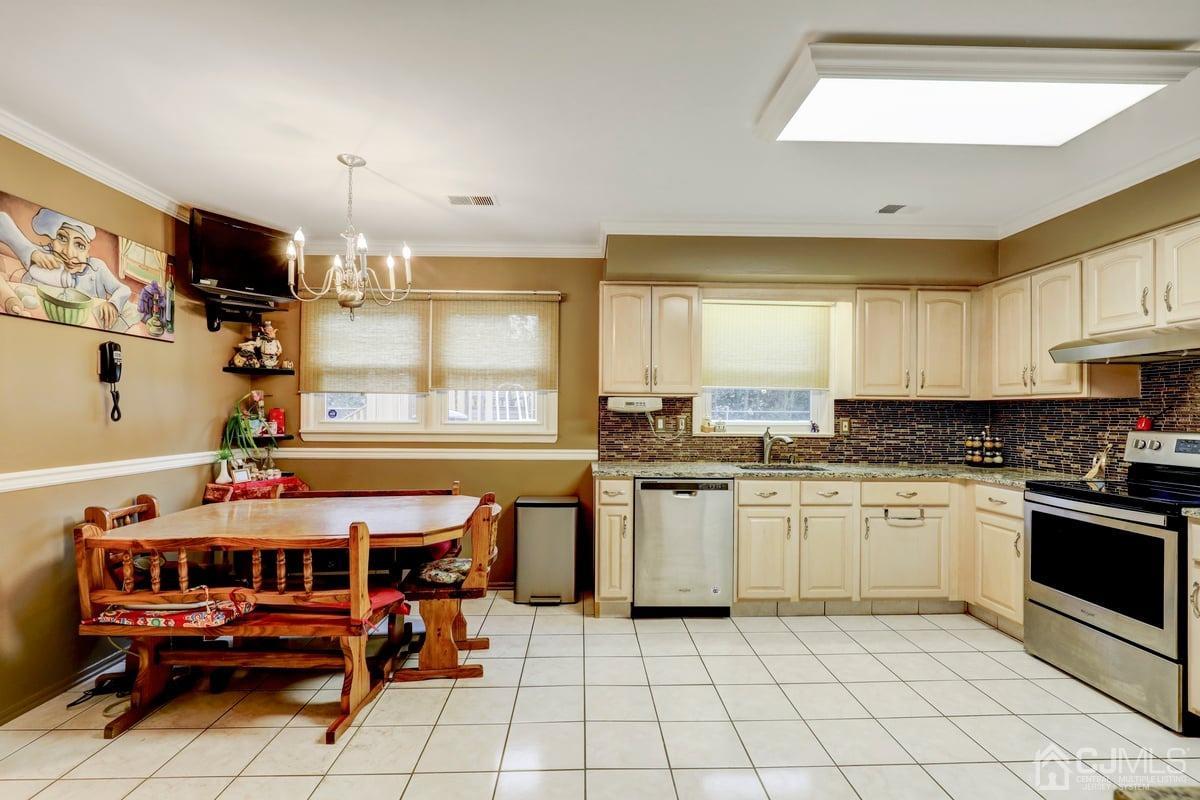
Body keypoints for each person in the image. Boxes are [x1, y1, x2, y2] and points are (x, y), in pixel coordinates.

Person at [0, 208, 130, 328]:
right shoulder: (42, 256)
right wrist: (31, 253)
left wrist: (113, 304)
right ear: (52, 240)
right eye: (62, 238)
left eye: (79, 245)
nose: (69, 253)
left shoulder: (97, 268)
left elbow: (124, 289)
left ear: (88, 250)